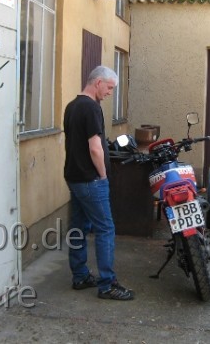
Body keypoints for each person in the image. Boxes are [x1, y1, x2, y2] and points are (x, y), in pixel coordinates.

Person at [63, 65, 134, 301]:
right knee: (105, 229)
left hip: (74, 177)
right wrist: (103, 175)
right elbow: (95, 148)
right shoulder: (92, 108)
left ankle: (80, 275)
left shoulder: (72, 106)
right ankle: (107, 284)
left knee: (79, 227)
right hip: (91, 180)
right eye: (110, 87)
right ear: (98, 83)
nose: (110, 93)